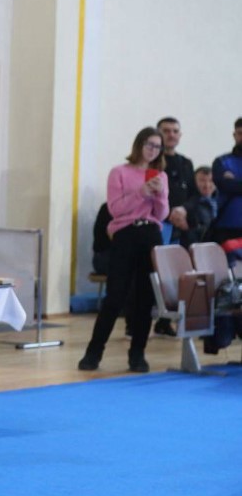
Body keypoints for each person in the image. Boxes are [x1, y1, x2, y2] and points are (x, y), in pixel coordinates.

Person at [79, 127, 168, 374]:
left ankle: (137, 354)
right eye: (149, 144)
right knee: (115, 296)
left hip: (150, 234)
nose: (153, 150)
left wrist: (160, 195)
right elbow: (116, 210)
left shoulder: (160, 175)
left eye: (157, 146)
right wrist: (141, 192)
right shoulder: (119, 172)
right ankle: (93, 352)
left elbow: (162, 214)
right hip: (126, 234)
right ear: (139, 144)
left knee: (145, 298)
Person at [153, 117, 197, 335]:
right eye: (166, 130)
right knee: (152, 273)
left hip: (179, 226)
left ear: (180, 135)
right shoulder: (152, 162)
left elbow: (194, 195)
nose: (171, 134)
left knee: (175, 274)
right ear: (158, 134)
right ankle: (134, 322)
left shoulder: (186, 163)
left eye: (175, 131)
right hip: (157, 224)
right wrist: (168, 211)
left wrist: (183, 210)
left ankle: (166, 321)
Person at [210, 118, 242, 244]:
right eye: (240, 133)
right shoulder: (221, 161)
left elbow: (231, 186)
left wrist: (234, 182)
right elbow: (224, 185)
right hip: (226, 226)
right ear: (234, 135)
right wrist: (229, 184)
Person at [179, 166, 218, 247]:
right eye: (202, 180)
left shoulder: (221, 200)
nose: (207, 185)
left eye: (211, 181)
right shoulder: (189, 203)